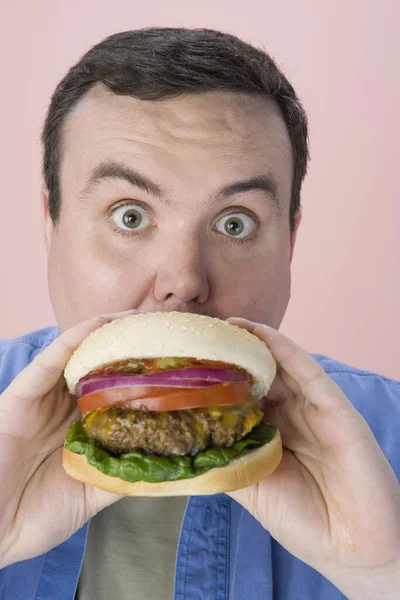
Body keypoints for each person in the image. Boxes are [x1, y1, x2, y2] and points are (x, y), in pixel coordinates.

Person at [0, 27, 399, 600]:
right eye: (130, 216)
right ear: (50, 221)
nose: (184, 282)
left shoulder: (390, 436)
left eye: (235, 223)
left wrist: (383, 577)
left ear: (290, 242)